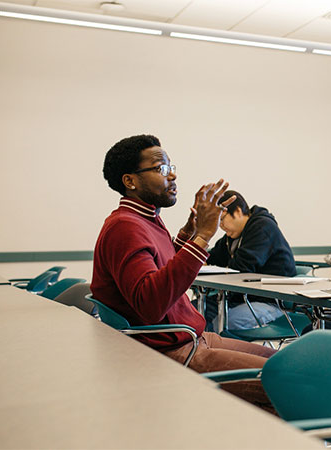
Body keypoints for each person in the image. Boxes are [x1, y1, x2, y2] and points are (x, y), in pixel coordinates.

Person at [91, 134, 276, 411]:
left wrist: (186, 236)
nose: (173, 174)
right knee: (294, 380)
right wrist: (202, 236)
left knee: (285, 362)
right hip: (170, 347)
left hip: (189, 337)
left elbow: (161, 272)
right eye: (161, 169)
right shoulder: (125, 226)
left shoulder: (144, 218)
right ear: (130, 181)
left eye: (171, 166)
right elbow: (151, 303)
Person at [203, 190, 296, 330]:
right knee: (193, 311)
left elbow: (241, 268)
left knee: (223, 324)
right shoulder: (232, 236)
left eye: (221, 219)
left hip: (272, 301)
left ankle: (216, 350)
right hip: (241, 298)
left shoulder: (262, 227)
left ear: (238, 211)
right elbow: (212, 258)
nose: (220, 226)